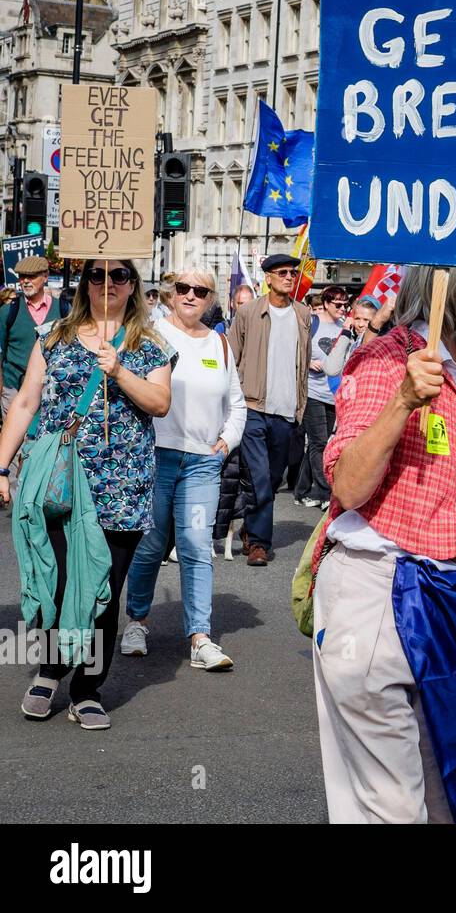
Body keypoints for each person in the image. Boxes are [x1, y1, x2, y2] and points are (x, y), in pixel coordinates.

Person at [311, 265, 456, 822]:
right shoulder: (386, 359)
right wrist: (403, 401)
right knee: (391, 807)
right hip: (379, 593)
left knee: (450, 798)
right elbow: (348, 487)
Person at [0, 259, 173, 730]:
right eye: (98, 275)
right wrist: (0, 465)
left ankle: (87, 689)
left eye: (119, 275)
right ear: (84, 284)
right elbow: (25, 401)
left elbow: (159, 403)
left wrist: (118, 371)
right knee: (56, 583)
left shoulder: (150, 343)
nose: (108, 284)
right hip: (60, 482)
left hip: (121, 488)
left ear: (133, 285)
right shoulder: (54, 335)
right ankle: (50, 672)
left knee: (101, 594)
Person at [121, 270, 246, 670]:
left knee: (195, 547)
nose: (191, 295)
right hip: (154, 457)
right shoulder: (148, 333)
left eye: (201, 291)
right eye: (184, 288)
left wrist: (225, 443)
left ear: (210, 299)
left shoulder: (220, 344)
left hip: (202, 465)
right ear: (171, 293)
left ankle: (200, 637)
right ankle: (136, 621)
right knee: (150, 545)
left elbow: (237, 404)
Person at [227, 253, 311, 566]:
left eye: (292, 272)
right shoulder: (249, 312)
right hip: (253, 408)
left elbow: (302, 364)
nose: (289, 277)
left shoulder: (303, 314)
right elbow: (230, 359)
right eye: (282, 272)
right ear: (269, 278)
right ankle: (261, 544)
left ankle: (251, 527)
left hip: (288, 413)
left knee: (273, 480)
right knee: (261, 478)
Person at [295, 285, 349, 509]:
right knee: (319, 443)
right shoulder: (313, 323)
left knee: (319, 445)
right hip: (313, 392)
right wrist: (308, 363)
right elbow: (295, 351)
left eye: (345, 304)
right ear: (326, 303)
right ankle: (327, 492)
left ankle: (302, 491)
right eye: (338, 304)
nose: (342, 308)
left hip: (333, 394)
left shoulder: (343, 327)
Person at [2, 256, 70, 420]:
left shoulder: (64, 310)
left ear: (45, 276)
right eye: (22, 276)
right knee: (14, 442)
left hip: (51, 388)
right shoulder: (7, 311)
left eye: (31, 276)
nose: (25, 281)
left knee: (44, 441)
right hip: (14, 387)